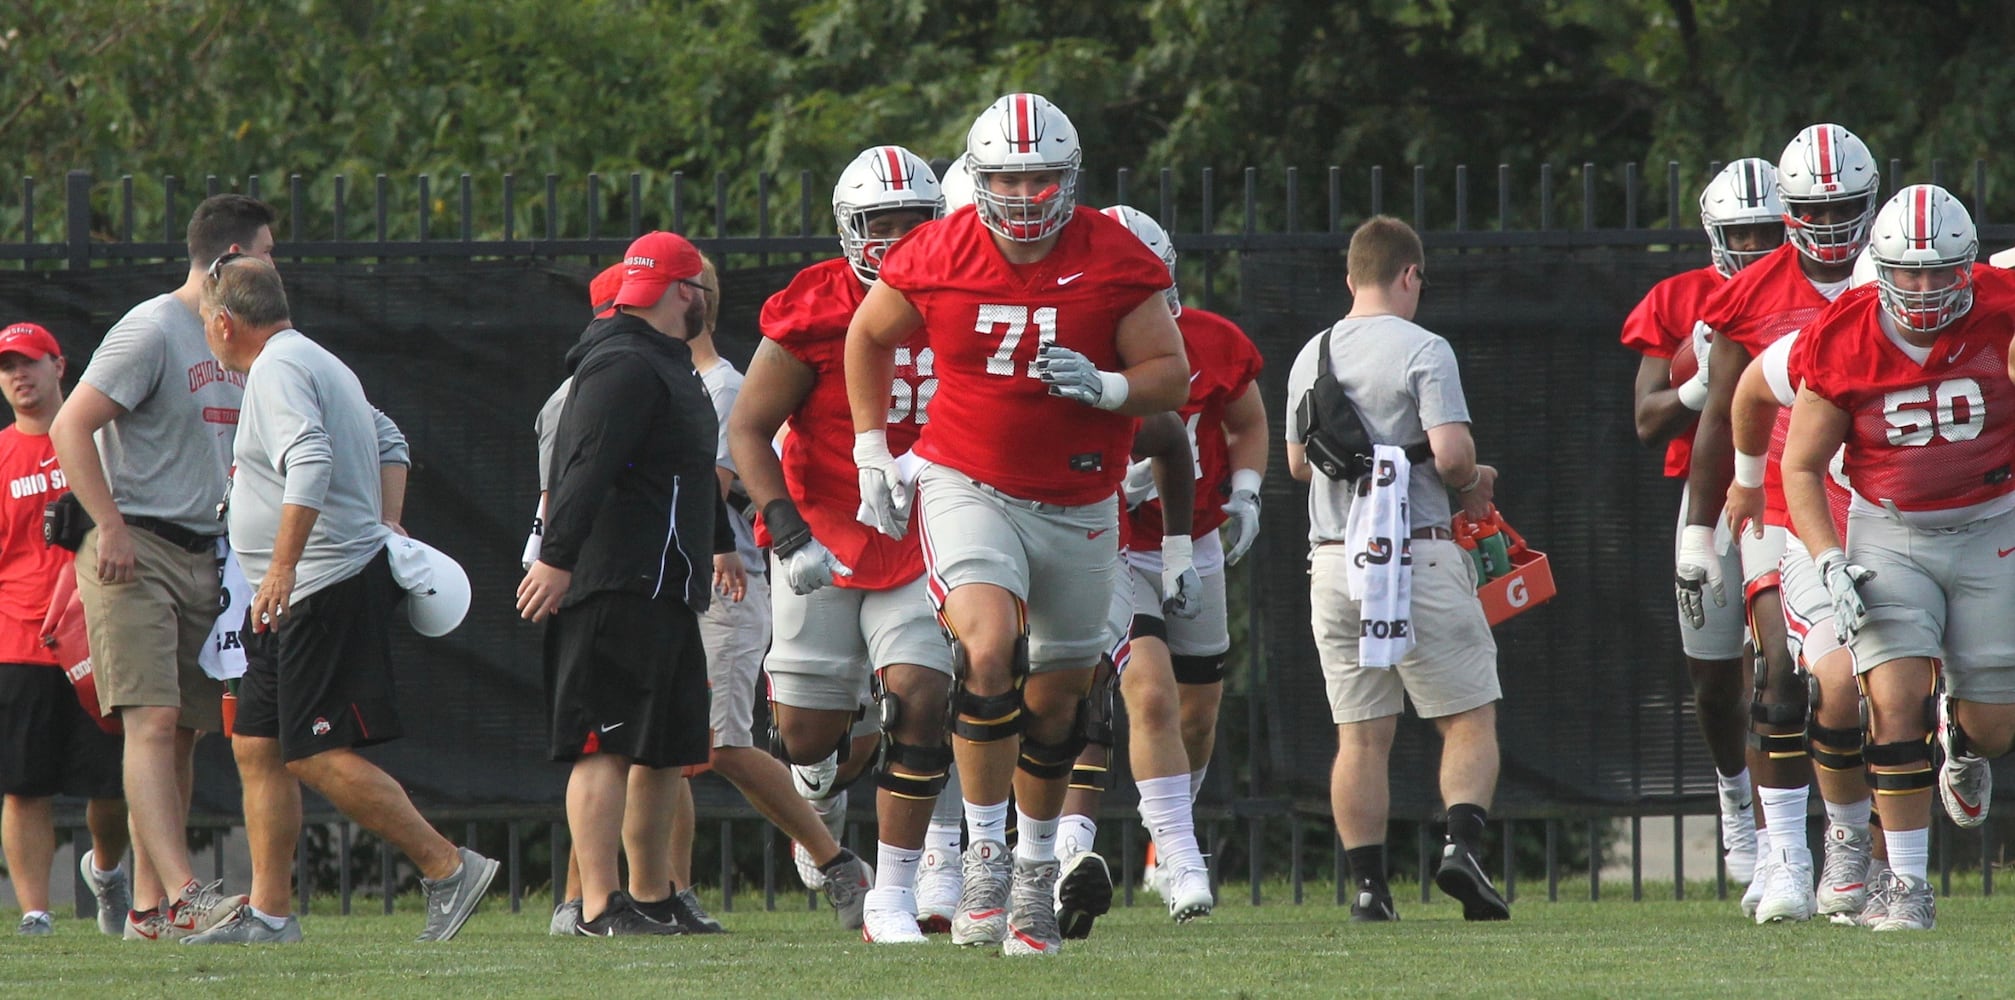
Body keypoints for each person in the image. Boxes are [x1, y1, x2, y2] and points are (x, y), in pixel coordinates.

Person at [845, 93, 1190, 956]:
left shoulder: (1112, 256)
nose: (1025, 193)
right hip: (970, 483)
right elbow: (867, 336)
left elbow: (1170, 376)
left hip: (1079, 498)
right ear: (980, 176)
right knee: (988, 647)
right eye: (1006, 176)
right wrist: (871, 452)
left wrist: (1109, 388)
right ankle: (985, 858)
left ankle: (1035, 871)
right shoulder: (939, 247)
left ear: (1068, 179)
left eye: (1040, 177)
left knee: (1059, 694)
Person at [183, 256, 498, 944]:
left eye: (206, 323)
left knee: (313, 752)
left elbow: (313, 458)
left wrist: (283, 570)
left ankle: (447, 868)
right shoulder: (315, 359)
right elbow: (389, 437)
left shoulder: (278, 369)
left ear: (225, 322)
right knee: (258, 746)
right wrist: (385, 522)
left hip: (315, 588)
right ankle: (269, 915)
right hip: (296, 588)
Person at [731, 144, 950, 943]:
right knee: (806, 735)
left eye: (910, 222)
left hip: (927, 531)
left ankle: (893, 890)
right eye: (878, 224)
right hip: (823, 530)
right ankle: (817, 792)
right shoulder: (814, 305)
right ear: (848, 230)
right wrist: (786, 534)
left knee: (924, 696)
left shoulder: (962, 293)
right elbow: (748, 428)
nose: (894, 238)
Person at [1785, 184, 2015, 932]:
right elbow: (1801, 465)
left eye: (1939, 271)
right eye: (1907, 273)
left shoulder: (2002, 305)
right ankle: (1907, 886)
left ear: (1967, 265)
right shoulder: (1840, 333)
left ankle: (1962, 741)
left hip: (1991, 521)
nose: (1922, 288)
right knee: (1890, 698)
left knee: (1995, 724)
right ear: (1877, 268)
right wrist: (1824, 559)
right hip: (1890, 530)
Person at [48, 194, 272, 940]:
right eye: (266, 254)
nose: (275, 270)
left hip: (204, 552)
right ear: (229, 260)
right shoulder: (151, 328)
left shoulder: (233, 335)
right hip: (134, 547)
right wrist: (106, 525)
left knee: (183, 734)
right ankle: (185, 895)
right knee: (152, 721)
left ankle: (147, 908)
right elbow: (70, 423)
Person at [518, 231, 750, 936]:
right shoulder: (622, 363)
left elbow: (685, 473)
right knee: (606, 744)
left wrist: (715, 546)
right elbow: (585, 467)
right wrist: (557, 558)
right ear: (687, 293)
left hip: (666, 584)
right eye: (700, 292)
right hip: (614, 582)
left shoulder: (665, 364)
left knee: (664, 749)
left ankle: (651, 895)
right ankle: (595, 906)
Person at [1286, 215, 1510, 923]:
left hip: (1334, 561)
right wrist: (1475, 476)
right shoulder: (1425, 348)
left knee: (1359, 733)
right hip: (1415, 551)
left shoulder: (1309, 353)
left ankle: (1366, 889)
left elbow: (1297, 464)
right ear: (1408, 274)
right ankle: (1460, 849)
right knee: (1466, 717)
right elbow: (1449, 458)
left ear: (1351, 277)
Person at [1052, 205, 1268, 935]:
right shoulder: (1073, 347)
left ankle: (1159, 834)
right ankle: (1180, 855)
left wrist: (1244, 494)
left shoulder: (1210, 341)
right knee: (1145, 692)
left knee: (1197, 713)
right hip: (1107, 542)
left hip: (1192, 537)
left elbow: (1246, 421)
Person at [1680, 123, 1878, 921]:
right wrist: (1700, 531)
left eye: (1845, 212)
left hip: (1880, 498)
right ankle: (1785, 855)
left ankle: (1848, 846)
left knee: (1871, 692)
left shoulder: (1893, 271)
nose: (1830, 230)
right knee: (1779, 677)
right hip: (1775, 497)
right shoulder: (1751, 290)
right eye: (1813, 212)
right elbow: (1722, 415)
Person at [1619, 158, 1784, 882]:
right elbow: (1646, 417)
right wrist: (1700, 382)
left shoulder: (1810, 292)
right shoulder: (1680, 298)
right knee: (1717, 680)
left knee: (1797, 675)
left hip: (1792, 491)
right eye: (1738, 232)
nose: (1750, 245)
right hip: (1710, 502)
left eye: (1764, 231)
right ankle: (1731, 797)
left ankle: (1806, 840)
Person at [1723, 252, 1881, 926]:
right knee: (1795, 676)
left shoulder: (1961, 335)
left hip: (1896, 535)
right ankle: (1786, 853)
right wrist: (1731, 497)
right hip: (1798, 521)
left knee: (1896, 697)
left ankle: (1877, 862)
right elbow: (1744, 395)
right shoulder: (1828, 337)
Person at [0, 322, 130, 936]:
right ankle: (35, 911)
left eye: (29, 362)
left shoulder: (99, 440)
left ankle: (105, 871)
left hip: (98, 629)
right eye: (7, 367)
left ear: (60, 366)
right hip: (20, 642)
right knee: (24, 785)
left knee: (113, 780)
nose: (17, 375)